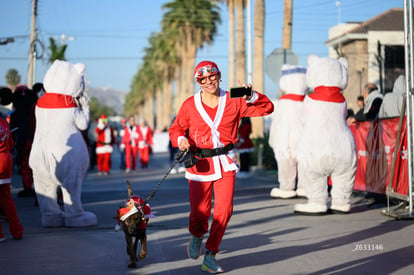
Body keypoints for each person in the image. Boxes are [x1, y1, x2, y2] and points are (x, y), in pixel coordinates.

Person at [169, 60, 274, 273]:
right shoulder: (190, 105)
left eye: (212, 76)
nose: (209, 81)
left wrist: (251, 95)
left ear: (219, 75)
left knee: (224, 211)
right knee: (200, 212)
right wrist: (181, 138)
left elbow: (267, 108)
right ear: (198, 81)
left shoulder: (234, 99)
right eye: (203, 79)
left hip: (226, 162)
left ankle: (211, 254)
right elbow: (176, 128)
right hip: (200, 165)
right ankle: (197, 234)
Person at [268, 64, 308, 199]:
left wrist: (272, 139)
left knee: (286, 164)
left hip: (285, 141)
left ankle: (286, 187)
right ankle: (304, 187)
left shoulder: (283, 103)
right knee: (305, 164)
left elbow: (277, 123)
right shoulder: (308, 102)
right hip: (304, 141)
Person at [0, 91, 24, 241]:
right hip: (6, 160)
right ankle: (17, 230)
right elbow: (10, 143)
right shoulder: (2, 120)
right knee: (6, 199)